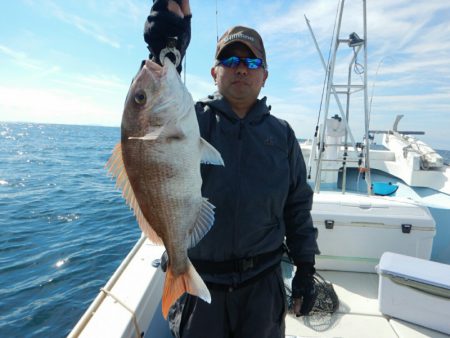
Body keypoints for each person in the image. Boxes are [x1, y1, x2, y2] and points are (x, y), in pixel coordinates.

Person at [144, 1, 320, 337]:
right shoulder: (189, 121)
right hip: (200, 287)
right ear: (215, 72)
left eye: (252, 61)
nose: (241, 68)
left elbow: (298, 206)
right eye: (230, 59)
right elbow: (155, 106)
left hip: (263, 288)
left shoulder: (282, 135)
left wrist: (306, 269)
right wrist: (166, 46)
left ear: (264, 76)